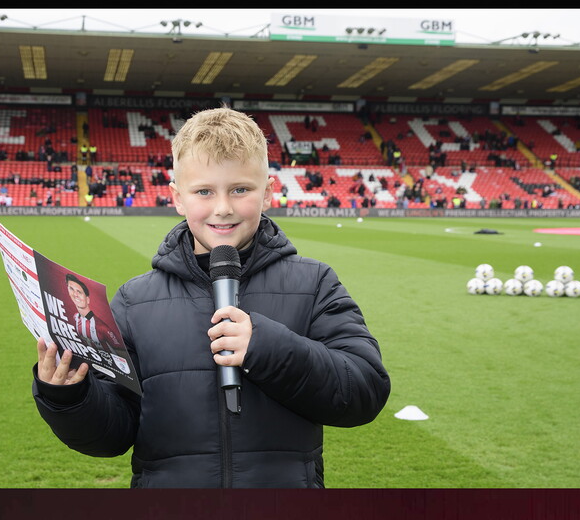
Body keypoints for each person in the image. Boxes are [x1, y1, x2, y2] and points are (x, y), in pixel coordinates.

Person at [32, 106, 390, 488]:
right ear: (177, 198)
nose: (223, 208)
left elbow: (365, 390)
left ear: (268, 192)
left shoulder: (314, 282)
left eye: (240, 189)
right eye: (204, 191)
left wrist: (264, 347)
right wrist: (69, 397)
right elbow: (112, 434)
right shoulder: (134, 301)